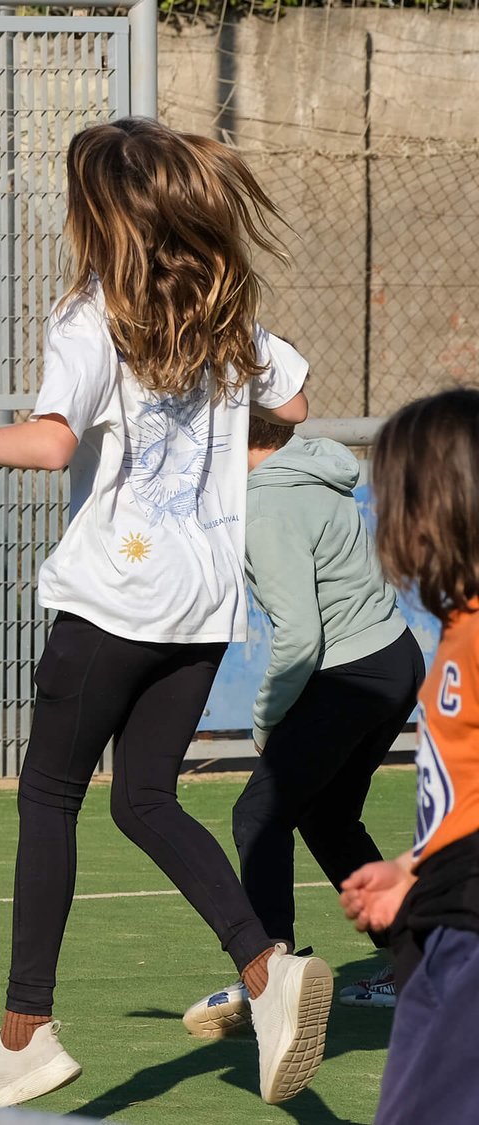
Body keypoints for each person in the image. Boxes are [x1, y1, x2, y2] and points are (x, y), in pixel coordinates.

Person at [0, 118, 327, 1107]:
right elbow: (293, 405)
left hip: (112, 599)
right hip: (200, 604)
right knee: (143, 799)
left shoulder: (90, 316)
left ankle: (24, 1033)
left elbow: (50, 444)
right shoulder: (220, 312)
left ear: (100, 214)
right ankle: (266, 973)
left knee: (48, 796)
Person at [181, 417, 423, 1036]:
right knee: (327, 818)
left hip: (351, 676)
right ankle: (419, 962)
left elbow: (298, 636)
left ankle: (271, 977)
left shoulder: (267, 506)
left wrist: (267, 718)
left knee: (257, 815)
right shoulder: (314, 465)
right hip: (393, 659)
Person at [341, 388, 479, 1125]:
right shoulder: (460, 625)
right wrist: (412, 867)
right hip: (445, 919)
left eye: (396, 494)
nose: (384, 515)